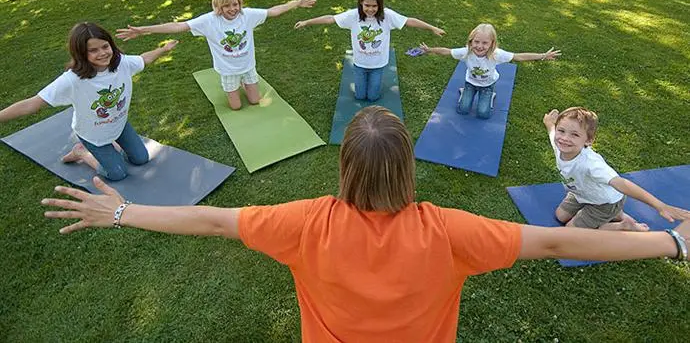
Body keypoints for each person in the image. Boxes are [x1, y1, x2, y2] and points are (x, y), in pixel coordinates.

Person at [42, 106, 688, 342]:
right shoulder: (450, 230)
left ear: (346, 167)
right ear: (406, 166)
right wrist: (672, 240)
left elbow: (212, 222)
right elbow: (553, 241)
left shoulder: (301, 223)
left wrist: (121, 210)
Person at [0, 22, 178, 181]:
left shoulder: (121, 63)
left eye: (105, 46)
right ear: (80, 53)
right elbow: (33, 104)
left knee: (141, 159)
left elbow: (144, 59)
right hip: (93, 135)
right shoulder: (72, 80)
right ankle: (81, 152)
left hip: (119, 124)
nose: (102, 53)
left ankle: (112, 145)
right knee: (117, 174)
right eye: (93, 50)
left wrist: (164, 49)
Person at [116, 0, 316, 110]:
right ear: (218, 7)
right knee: (236, 107)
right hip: (227, 70)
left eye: (235, 4)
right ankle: (231, 86)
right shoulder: (209, 21)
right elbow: (179, 26)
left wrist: (296, 4)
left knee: (255, 101)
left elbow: (273, 11)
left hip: (248, 66)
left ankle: (246, 84)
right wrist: (143, 30)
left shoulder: (247, 15)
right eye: (227, 6)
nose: (233, 9)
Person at [543, 107, 690, 231]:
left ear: (588, 140)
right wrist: (549, 123)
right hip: (582, 193)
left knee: (570, 230)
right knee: (560, 215)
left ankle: (623, 225)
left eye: (574, 134)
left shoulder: (591, 164)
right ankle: (618, 214)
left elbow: (621, 183)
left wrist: (660, 206)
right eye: (561, 131)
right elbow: (552, 132)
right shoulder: (560, 144)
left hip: (604, 203)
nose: (564, 138)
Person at [294, 0, 445, 101]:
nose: (371, 9)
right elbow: (330, 18)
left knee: (372, 96)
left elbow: (409, 21)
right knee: (359, 96)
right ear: (361, 3)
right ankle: (368, 83)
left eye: (374, 6)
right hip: (360, 63)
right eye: (367, 5)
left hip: (378, 64)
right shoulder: (353, 16)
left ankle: (375, 83)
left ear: (380, 4)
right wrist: (307, 22)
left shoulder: (387, 16)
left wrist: (431, 28)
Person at [420, 23, 560, 119]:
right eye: (476, 42)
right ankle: (464, 92)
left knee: (483, 114)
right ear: (471, 41)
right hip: (470, 83)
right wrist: (429, 50)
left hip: (487, 86)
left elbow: (519, 56)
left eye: (485, 43)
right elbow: (447, 51)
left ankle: (490, 96)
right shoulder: (466, 52)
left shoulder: (496, 55)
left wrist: (542, 56)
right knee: (462, 110)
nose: (480, 46)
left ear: (492, 44)